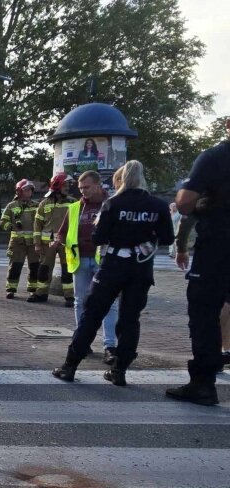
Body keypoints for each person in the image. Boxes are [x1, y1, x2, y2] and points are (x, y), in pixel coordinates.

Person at [52, 160, 174, 385]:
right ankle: (119, 371)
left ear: (121, 180)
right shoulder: (157, 205)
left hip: (112, 266)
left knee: (91, 315)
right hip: (140, 268)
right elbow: (167, 238)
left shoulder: (113, 204)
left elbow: (98, 237)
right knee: (130, 320)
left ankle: (70, 366)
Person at [168, 118, 230, 405]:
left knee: (205, 313)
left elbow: (184, 203)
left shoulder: (215, 157)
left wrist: (198, 202)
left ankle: (203, 384)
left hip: (219, 246)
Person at [54, 170, 119, 365]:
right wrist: (58, 241)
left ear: (99, 185)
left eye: (87, 187)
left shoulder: (111, 205)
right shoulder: (75, 207)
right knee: (79, 301)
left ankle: (110, 345)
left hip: (104, 261)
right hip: (80, 260)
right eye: (81, 188)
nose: (83, 191)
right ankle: (83, 341)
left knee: (109, 303)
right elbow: (62, 232)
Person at [175, 216, 230, 372]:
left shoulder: (209, 193)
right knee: (225, 303)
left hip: (213, 253)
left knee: (206, 309)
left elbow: (186, 215)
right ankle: (222, 351)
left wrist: (181, 248)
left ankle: (211, 357)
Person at [30, 173, 75, 306]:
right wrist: (37, 244)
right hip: (46, 243)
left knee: (67, 270)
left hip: (66, 243)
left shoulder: (73, 202)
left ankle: (70, 297)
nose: (67, 188)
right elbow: (37, 225)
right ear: (57, 186)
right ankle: (41, 293)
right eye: (65, 185)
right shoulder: (44, 203)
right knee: (44, 269)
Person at [0, 179, 39, 299]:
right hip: (17, 242)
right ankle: (11, 288)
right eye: (26, 190)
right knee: (15, 266)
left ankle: (33, 288)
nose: (28, 193)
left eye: (30, 190)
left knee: (34, 266)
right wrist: (11, 226)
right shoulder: (11, 206)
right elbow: (3, 221)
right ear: (19, 191)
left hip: (33, 242)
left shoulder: (36, 205)